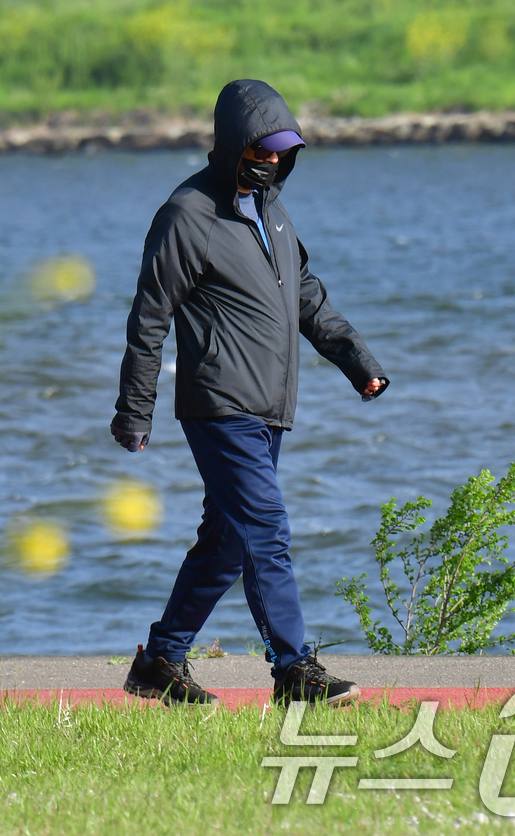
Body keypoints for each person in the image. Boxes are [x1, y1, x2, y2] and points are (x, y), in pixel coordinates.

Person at [111, 79, 388, 708]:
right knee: (266, 527)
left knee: (229, 541)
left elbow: (307, 297)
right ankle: (294, 669)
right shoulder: (187, 215)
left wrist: (358, 363)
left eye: (281, 151)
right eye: (260, 149)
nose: (270, 160)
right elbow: (149, 317)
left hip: (270, 406)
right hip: (219, 403)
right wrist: (135, 410)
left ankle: (160, 662)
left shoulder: (275, 214)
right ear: (234, 144)